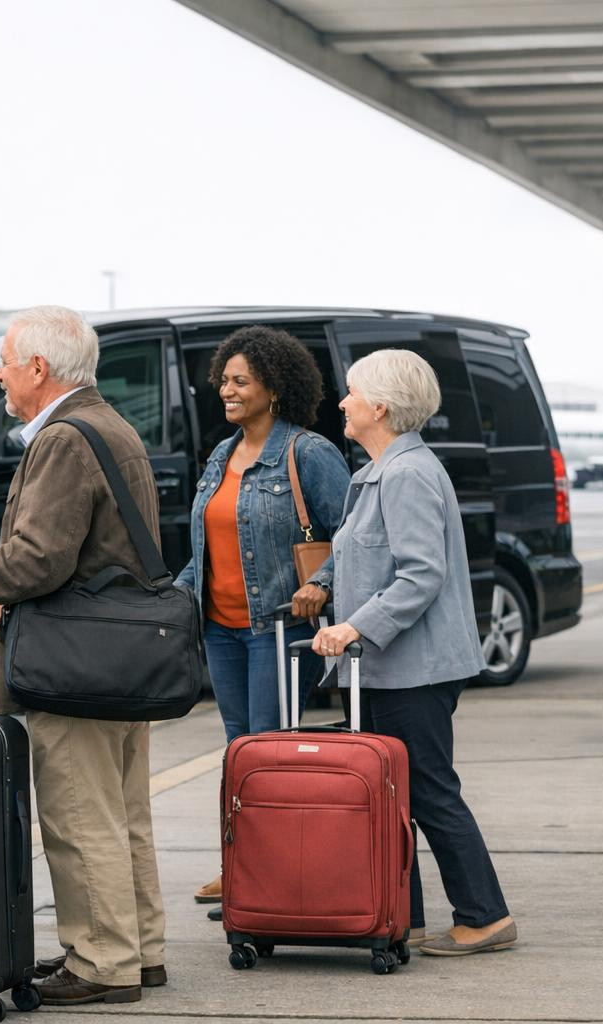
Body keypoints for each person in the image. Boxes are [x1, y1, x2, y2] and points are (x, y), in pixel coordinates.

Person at [0, 306, 166, 1006]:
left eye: (3, 359)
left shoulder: (63, 438)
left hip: (75, 662)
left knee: (81, 816)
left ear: (37, 368)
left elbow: (38, 558)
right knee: (124, 815)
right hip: (119, 657)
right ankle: (140, 951)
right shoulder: (110, 425)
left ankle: (101, 962)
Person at [311, 347, 516, 957]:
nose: (342, 403)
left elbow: (420, 574)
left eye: (350, 393)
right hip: (384, 668)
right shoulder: (375, 472)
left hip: (413, 669)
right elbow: (358, 552)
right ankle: (406, 914)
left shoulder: (407, 474)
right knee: (391, 796)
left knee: (426, 791)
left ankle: (485, 916)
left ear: (380, 406)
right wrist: (321, 583)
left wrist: (353, 628)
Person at [173, 325, 350, 905]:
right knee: (238, 749)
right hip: (221, 629)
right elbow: (206, 545)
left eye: (239, 381)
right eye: (223, 379)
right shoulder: (221, 454)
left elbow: (353, 537)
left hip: (277, 630)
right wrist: (173, 597)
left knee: (269, 749)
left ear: (273, 388)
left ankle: (276, 871)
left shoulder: (309, 453)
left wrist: (321, 584)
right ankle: (241, 864)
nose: (225, 390)